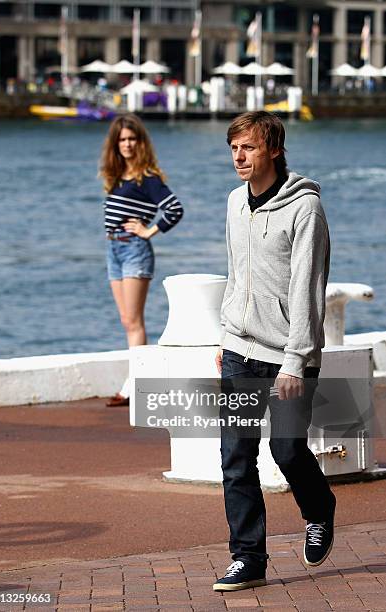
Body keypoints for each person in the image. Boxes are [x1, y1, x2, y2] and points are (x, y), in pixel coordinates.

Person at [213, 111, 336, 592]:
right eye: (234, 148)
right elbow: (235, 275)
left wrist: (294, 360)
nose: (239, 158)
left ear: (274, 150)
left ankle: (319, 510)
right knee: (236, 457)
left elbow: (309, 288)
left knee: (286, 450)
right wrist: (226, 337)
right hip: (241, 350)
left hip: (290, 355)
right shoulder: (233, 203)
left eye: (249, 148)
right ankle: (248, 557)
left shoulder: (304, 209)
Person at [99, 114, 184, 406]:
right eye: (122, 139)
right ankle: (137, 381)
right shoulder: (116, 177)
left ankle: (134, 385)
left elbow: (174, 209)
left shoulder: (147, 178)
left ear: (140, 142)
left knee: (134, 321)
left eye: (132, 139)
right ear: (115, 143)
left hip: (135, 249)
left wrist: (149, 230)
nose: (127, 144)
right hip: (114, 250)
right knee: (126, 320)